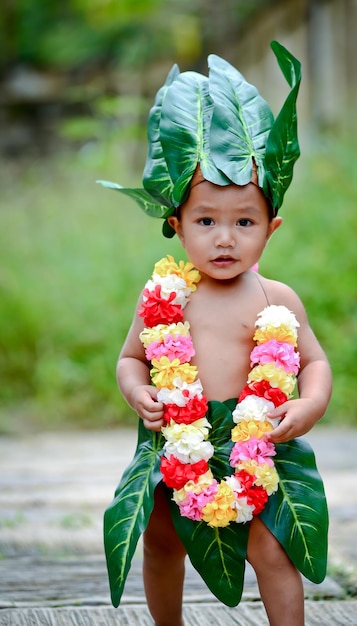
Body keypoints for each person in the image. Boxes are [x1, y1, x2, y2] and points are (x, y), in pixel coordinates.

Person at [100, 41, 332, 626]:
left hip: (262, 436)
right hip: (177, 434)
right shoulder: (164, 297)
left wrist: (309, 404)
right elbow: (130, 359)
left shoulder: (276, 299)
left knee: (274, 548)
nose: (224, 238)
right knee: (159, 538)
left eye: (244, 222)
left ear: (271, 229)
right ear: (176, 224)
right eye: (206, 221)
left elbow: (314, 362)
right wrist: (138, 392)